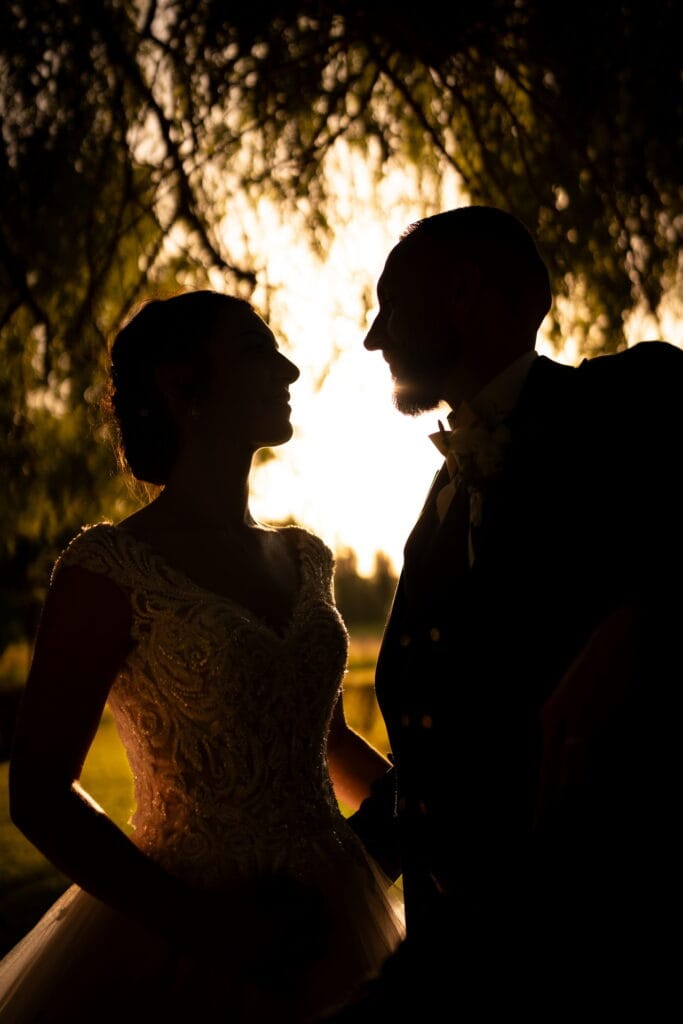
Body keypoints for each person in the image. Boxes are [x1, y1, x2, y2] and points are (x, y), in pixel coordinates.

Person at [0, 290, 404, 1023]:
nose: (287, 367)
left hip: (336, 907)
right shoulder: (108, 566)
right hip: (184, 923)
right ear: (181, 384)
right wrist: (208, 929)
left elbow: (324, 738)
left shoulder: (305, 554)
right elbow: (37, 791)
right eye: (257, 349)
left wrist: (427, 816)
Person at [322, 206, 683, 1018]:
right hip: (462, 949)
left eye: (389, 305)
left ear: (461, 291)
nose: (374, 339)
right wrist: (338, 874)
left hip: (609, 936)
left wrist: (640, 621)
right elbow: (446, 744)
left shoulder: (631, 403)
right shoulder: (439, 498)